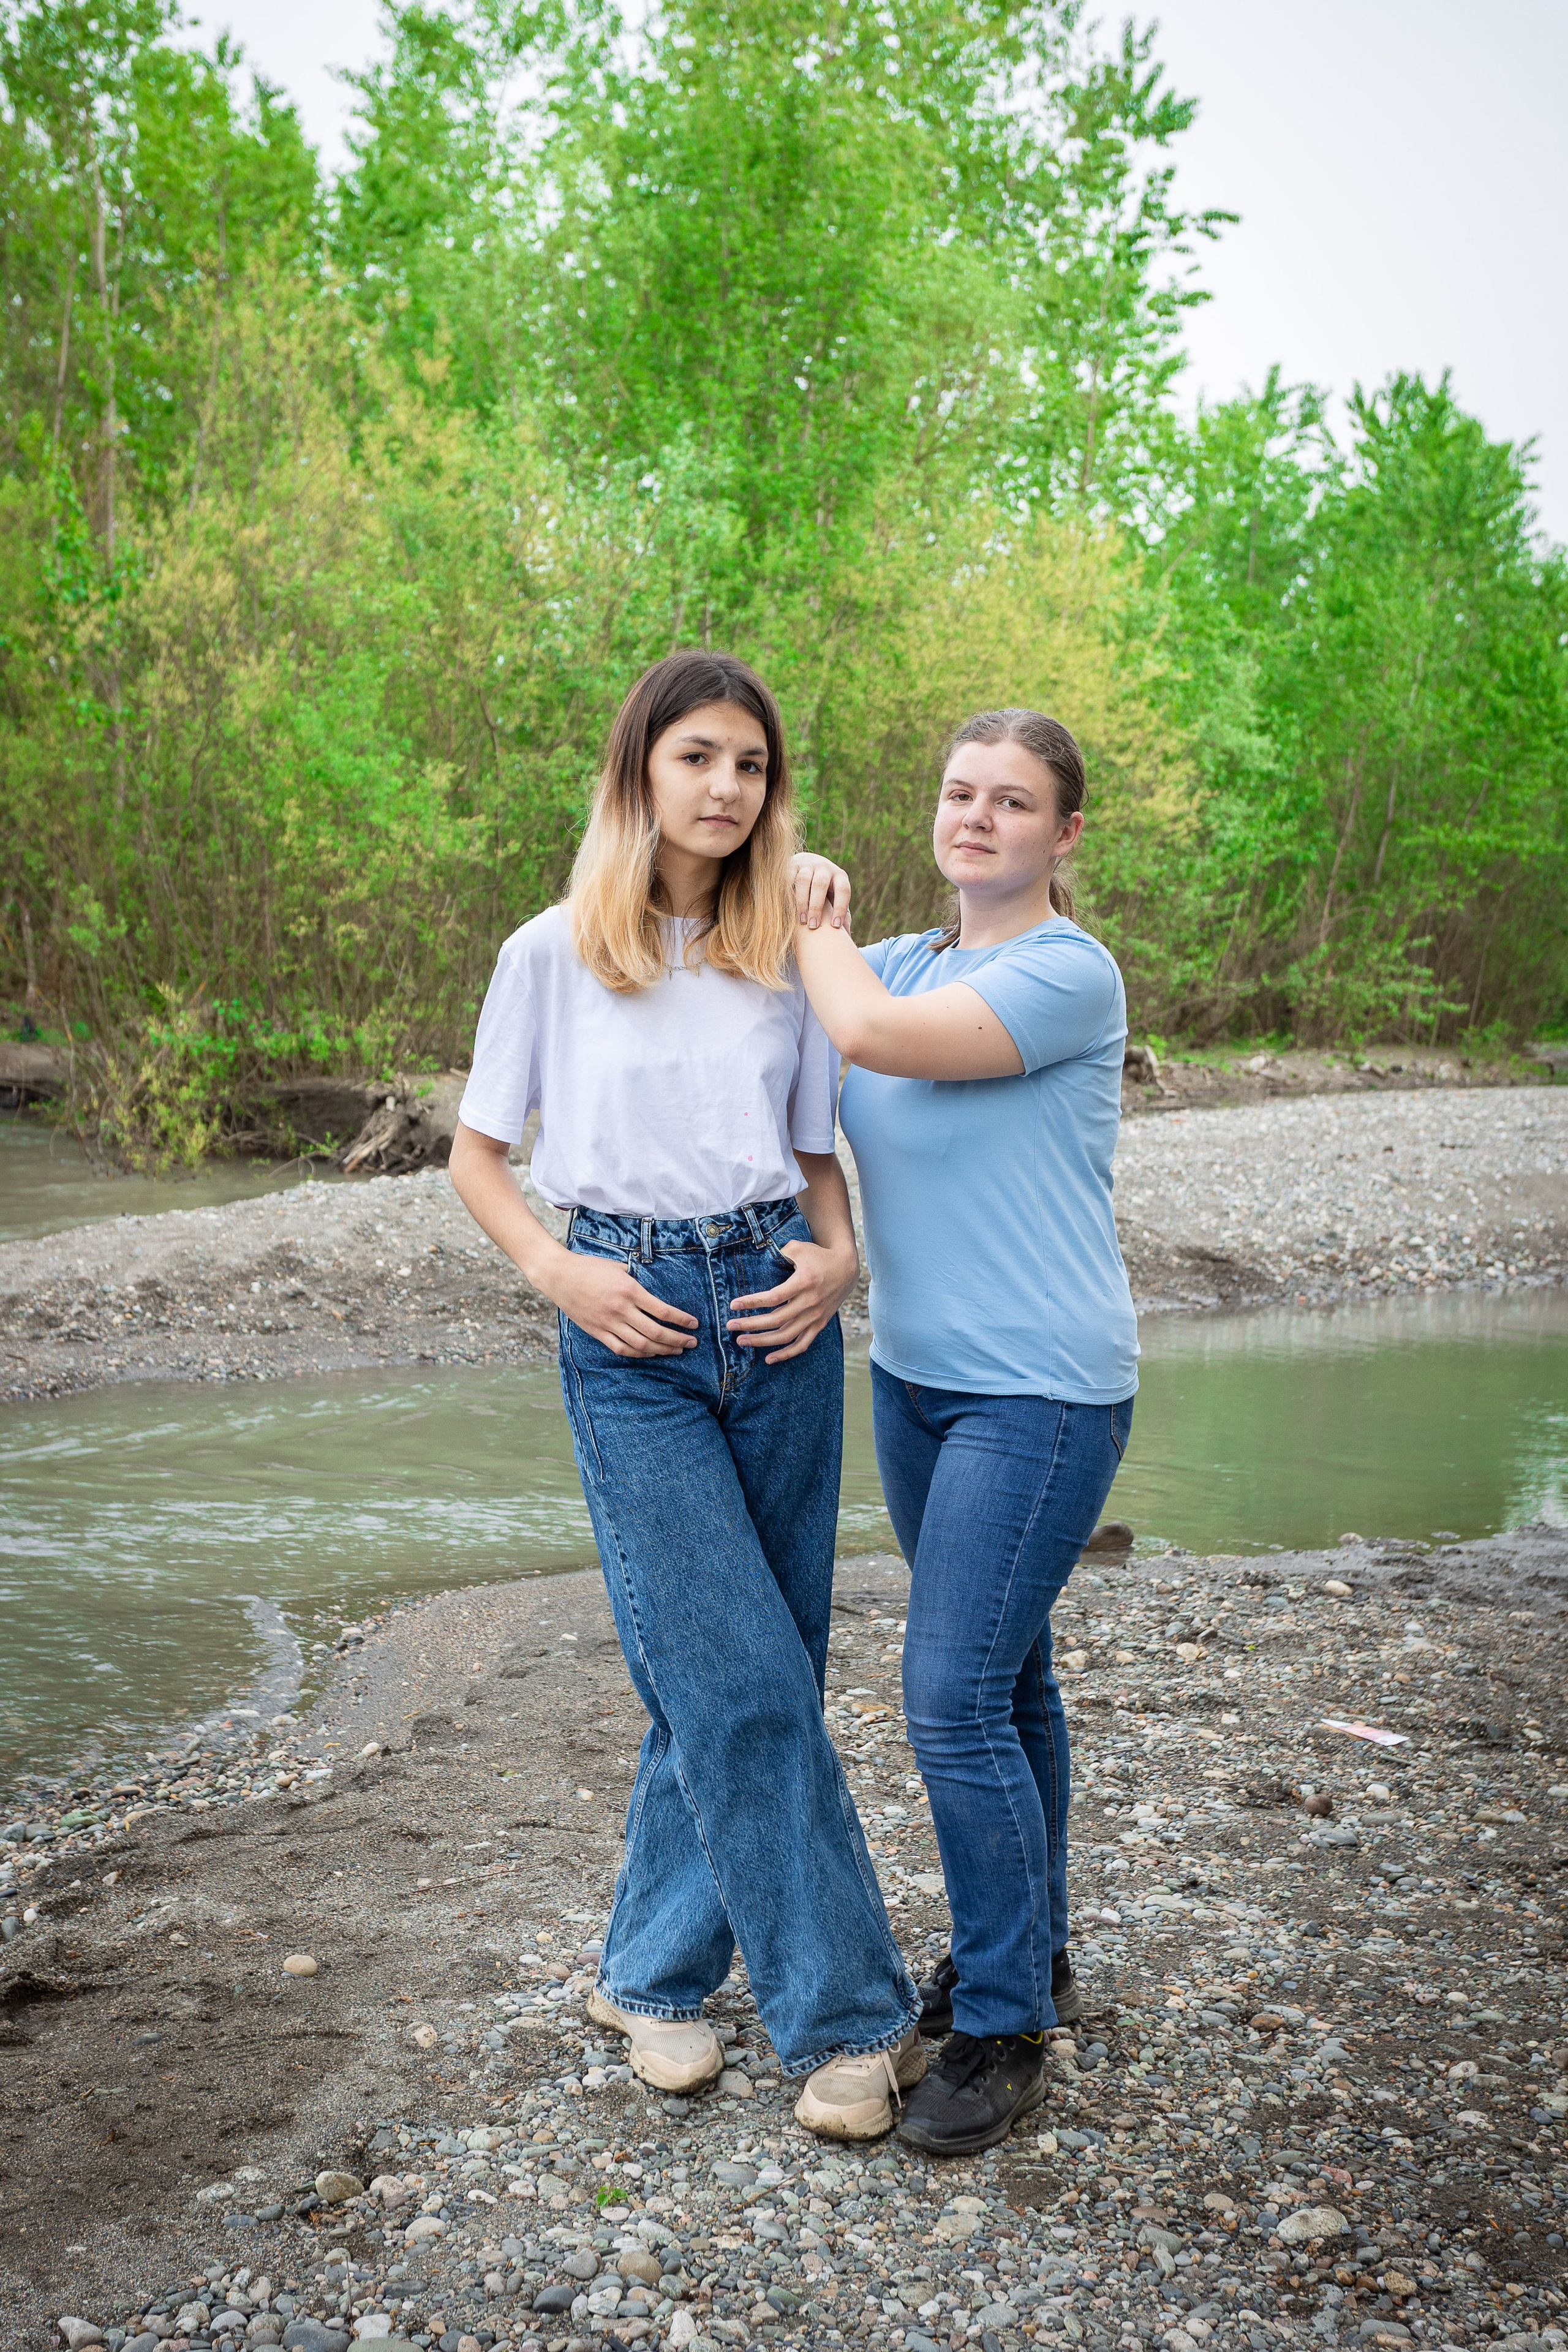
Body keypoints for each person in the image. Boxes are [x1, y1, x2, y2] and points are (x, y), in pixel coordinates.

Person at [448, 648, 923, 2139]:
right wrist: (558, 1274)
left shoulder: (784, 952)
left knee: (739, 1673)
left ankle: (648, 1978)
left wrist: (842, 1261)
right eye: (697, 758)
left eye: (751, 766)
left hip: (779, 1316)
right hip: (628, 1322)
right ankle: (846, 2022)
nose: (726, 788)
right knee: (737, 1678)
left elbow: (811, 1154)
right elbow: (475, 1154)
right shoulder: (549, 953)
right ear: (638, 772)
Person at [791, 706, 1138, 2155]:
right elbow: (783, 1021)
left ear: (1061, 835)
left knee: (944, 1700)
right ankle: (1030, 1950)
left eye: (1009, 801)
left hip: (1042, 1391)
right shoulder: (898, 959)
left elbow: (860, 1037)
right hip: (917, 1381)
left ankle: (1001, 2025)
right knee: (1007, 1685)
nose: (975, 817)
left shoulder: (1065, 971)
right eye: (955, 793)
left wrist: (810, 902)